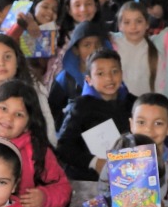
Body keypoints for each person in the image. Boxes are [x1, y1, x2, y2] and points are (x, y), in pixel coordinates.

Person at [55, 49, 134, 181]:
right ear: (89, 80)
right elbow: (64, 148)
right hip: (88, 180)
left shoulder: (133, 104)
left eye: (114, 71)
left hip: (127, 178)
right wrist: (94, 162)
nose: (109, 78)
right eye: (100, 73)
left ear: (122, 74)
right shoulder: (80, 107)